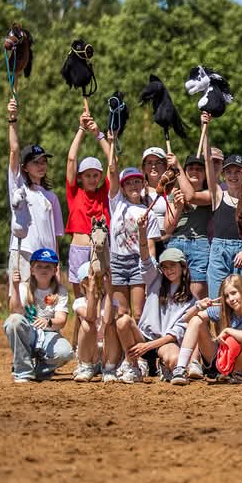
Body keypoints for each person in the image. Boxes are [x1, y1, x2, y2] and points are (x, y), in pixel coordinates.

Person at [113, 213, 195, 383]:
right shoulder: (155, 279)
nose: (168, 270)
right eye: (164, 266)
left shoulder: (190, 299)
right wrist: (142, 232)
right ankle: (134, 366)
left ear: (182, 266)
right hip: (143, 337)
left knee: (175, 359)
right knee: (123, 321)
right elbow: (145, 257)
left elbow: (174, 335)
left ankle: (163, 365)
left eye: (173, 265)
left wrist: (148, 347)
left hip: (164, 342)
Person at [6, 98, 63, 289]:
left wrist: (57, 265)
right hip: (24, 253)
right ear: (25, 167)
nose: (41, 166)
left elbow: (55, 236)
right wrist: (12, 120)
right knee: (20, 300)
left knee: (44, 303)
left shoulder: (51, 197)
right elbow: (14, 150)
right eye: (36, 162)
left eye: (44, 161)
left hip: (47, 259)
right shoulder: (18, 187)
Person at [171, 274, 242, 385]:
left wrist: (228, 330)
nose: (231, 299)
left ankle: (236, 373)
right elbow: (186, 320)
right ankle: (180, 369)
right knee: (196, 320)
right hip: (218, 358)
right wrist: (198, 307)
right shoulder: (223, 310)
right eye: (226, 296)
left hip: (240, 362)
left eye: (234, 293)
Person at [3, 247, 73, 383]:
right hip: (28, 332)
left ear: (55, 270)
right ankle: (23, 371)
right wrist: (15, 287)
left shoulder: (60, 291)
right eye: (39, 266)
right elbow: (15, 310)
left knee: (66, 353)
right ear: (32, 270)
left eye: (48, 266)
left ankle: (41, 369)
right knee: (14, 321)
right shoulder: (24, 287)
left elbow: (61, 320)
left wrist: (48, 322)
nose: (43, 269)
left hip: (48, 333)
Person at [203, 113, 242, 298]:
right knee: (217, 300)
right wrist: (205, 129)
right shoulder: (218, 194)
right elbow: (208, 161)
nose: (233, 176)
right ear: (223, 175)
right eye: (229, 172)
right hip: (218, 251)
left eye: (237, 171)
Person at [107, 148, 161, 319]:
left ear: (143, 184)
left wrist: (150, 274)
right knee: (121, 312)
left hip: (138, 263)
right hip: (117, 262)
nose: (133, 186)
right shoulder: (117, 203)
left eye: (137, 181)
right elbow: (112, 171)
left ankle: (139, 338)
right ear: (122, 188)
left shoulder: (148, 213)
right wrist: (111, 143)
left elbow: (151, 247)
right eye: (128, 183)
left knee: (138, 313)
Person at [64, 104, 112, 296]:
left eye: (95, 175)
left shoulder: (105, 193)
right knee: (80, 299)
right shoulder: (74, 193)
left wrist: (99, 134)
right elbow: (71, 159)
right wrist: (81, 129)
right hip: (79, 249)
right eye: (87, 175)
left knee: (102, 295)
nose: (92, 179)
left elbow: (113, 162)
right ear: (80, 177)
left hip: (100, 249)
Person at [165, 153, 212, 300]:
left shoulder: (211, 193)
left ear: (205, 174)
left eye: (199, 169)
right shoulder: (174, 193)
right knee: (174, 293)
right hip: (176, 243)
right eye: (190, 168)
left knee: (197, 295)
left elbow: (191, 196)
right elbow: (168, 228)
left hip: (199, 244)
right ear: (185, 172)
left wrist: (177, 167)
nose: (194, 171)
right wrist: (178, 208)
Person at [71, 260, 120, 382]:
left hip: (106, 351)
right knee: (87, 324)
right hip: (90, 352)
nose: (98, 283)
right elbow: (91, 317)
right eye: (94, 279)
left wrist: (109, 292)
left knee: (111, 325)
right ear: (84, 283)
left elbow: (108, 319)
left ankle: (109, 368)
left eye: (100, 279)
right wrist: (91, 291)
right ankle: (86, 367)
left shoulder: (111, 301)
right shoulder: (79, 302)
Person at [140, 146, 170, 244]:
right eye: (149, 163)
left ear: (165, 166)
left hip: (166, 243)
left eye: (158, 162)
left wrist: (164, 238)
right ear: (144, 167)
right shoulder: (137, 192)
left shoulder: (172, 192)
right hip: (143, 242)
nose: (153, 166)